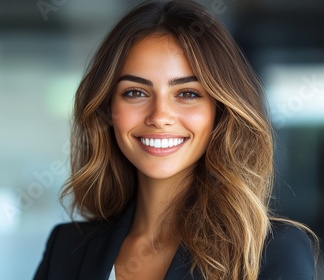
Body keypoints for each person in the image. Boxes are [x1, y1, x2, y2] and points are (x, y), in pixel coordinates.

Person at [33, 0, 319, 279]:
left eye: (187, 94)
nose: (159, 116)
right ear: (108, 108)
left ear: (220, 111)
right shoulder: (67, 247)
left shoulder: (272, 252)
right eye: (135, 92)